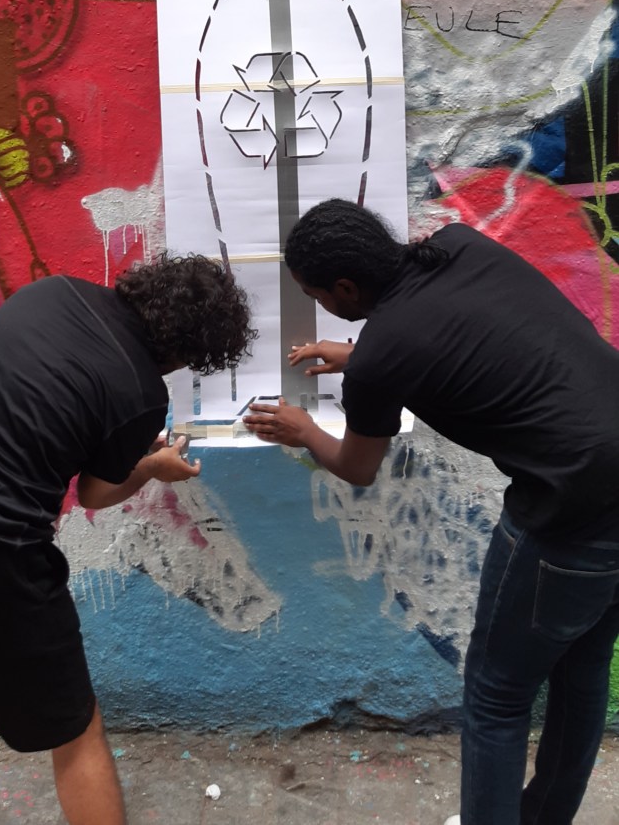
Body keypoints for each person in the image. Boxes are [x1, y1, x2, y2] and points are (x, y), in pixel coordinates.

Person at [243, 197, 619, 825]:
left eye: (318, 295)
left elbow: (358, 467)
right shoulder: (459, 246)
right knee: (583, 670)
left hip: (571, 509)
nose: (322, 306)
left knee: (497, 697)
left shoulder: (382, 358)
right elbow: (478, 332)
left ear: (345, 288)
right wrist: (360, 355)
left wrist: (304, 430)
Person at [0, 253, 256, 825]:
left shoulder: (52, 291)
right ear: (188, 350)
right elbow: (95, 493)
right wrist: (150, 468)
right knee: (77, 730)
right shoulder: (137, 390)